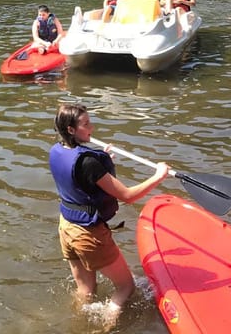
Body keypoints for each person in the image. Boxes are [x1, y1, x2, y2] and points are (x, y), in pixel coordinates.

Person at [50, 103, 168, 316]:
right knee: (126, 287)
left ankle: (79, 323)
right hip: (87, 234)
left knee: (86, 290)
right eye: (86, 124)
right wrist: (158, 175)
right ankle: (104, 326)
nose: (92, 128)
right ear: (71, 130)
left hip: (66, 227)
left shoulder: (57, 150)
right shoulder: (88, 164)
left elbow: (78, 177)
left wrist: (99, 161)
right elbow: (128, 196)